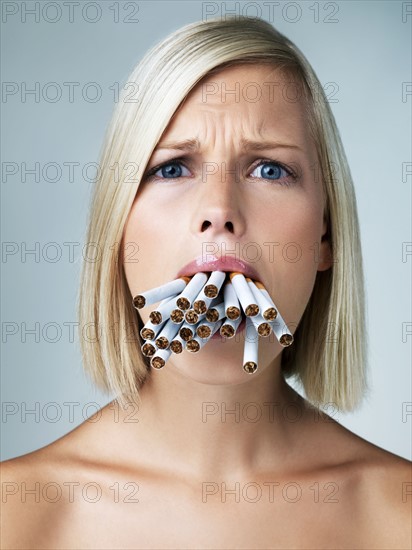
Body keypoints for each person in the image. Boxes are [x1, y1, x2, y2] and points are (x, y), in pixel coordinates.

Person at [1, 16, 410, 550]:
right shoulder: (16, 513)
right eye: (172, 168)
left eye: (268, 169)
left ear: (326, 237)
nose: (219, 211)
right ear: (117, 228)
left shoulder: (398, 514)